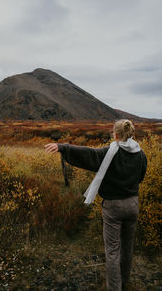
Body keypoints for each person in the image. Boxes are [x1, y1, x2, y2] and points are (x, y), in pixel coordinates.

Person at [44, 119, 147, 291]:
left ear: (115, 134)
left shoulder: (110, 152)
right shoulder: (141, 153)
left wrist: (63, 147)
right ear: (131, 133)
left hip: (113, 207)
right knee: (128, 246)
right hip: (133, 204)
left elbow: (89, 154)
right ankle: (125, 281)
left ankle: (115, 288)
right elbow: (141, 176)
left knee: (113, 250)